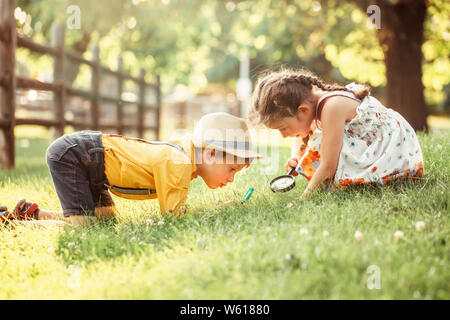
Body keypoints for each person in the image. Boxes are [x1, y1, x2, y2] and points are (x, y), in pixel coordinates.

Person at [1, 112, 262, 226]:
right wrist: (216, 213)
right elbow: (174, 216)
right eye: (232, 169)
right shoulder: (179, 163)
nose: (231, 178)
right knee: (82, 227)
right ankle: (11, 223)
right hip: (77, 155)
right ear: (212, 152)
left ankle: (32, 214)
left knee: (103, 218)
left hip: (92, 161)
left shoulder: (188, 158)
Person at [249, 68, 424, 197]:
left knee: (319, 145)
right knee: (316, 143)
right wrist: (296, 156)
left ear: (302, 110)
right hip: (376, 142)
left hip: (392, 148)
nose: (284, 136)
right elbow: (301, 135)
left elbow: (328, 165)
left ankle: (367, 179)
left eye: (283, 128)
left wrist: (305, 198)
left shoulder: (332, 108)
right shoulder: (314, 104)